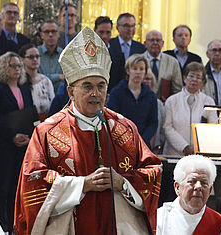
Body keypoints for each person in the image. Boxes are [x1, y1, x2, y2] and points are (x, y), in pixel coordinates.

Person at [14, 26, 162, 235]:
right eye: (87, 86)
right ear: (71, 92)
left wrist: (123, 183)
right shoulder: (48, 131)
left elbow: (152, 170)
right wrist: (82, 185)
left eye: (101, 86)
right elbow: (33, 182)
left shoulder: (125, 128)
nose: (95, 93)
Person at [0, 52, 34, 233]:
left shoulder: (24, 88)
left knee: (16, 190)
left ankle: (14, 228)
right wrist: (12, 136)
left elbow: (30, 114)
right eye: (12, 66)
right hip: (3, 146)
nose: (17, 69)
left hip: (22, 146)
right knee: (1, 189)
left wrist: (29, 136)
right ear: (3, 67)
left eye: (19, 66)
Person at [157, 154, 221, 235]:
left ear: (210, 190)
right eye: (192, 181)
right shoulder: (160, 219)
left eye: (204, 183)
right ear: (177, 187)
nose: (198, 187)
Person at [163, 62, 217, 156]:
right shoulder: (172, 101)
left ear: (202, 82)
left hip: (199, 155)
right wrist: (184, 147)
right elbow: (167, 128)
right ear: (184, 78)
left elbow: (213, 127)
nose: (194, 80)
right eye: (191, 76)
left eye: (198, 77)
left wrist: (197, 148)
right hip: (174, 154)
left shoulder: (209, 102)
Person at [107, 54, 158, 148]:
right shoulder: (117, 93)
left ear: (145, 72)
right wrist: (127, 139)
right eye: (135, 68)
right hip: (121, 144)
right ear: (128, 70)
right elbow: (112, 119)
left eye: (141, 69)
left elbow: (153, 122)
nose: (138, 72)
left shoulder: (151, 96)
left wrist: (142, 140)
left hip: (143, 145)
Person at [108, 13, 146, 91]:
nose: (130, 29)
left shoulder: (140, 48)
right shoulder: (110, 45)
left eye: (133, 26)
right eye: (126, 26)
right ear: (117, 27)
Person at [143, 30, 182, 102]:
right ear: (145, 43)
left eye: (158, 40)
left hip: (166, 105)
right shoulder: (138, 61)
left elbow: (177, 90)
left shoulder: (173, 62)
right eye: (152, 40)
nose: (155, 43)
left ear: (163, 43)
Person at [19, 43, 55, 120]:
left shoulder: (46, 81)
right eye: (31, 57)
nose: (35, 59)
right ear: (22, 59)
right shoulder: (19, 82)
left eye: (37, 56)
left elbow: (53, 105)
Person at [38, 19, 64, 92]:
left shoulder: (64, 54)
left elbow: (66, 78)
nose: (50, 35)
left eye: (53, 31)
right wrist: (58, 77)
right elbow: (36, 78)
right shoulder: (35, 54)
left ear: (58, 34)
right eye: (46, 32)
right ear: (41, 35)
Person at [142, 69, 165, 153]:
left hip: (154, 149)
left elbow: (162, 127)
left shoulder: (158, 103)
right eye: (144, 78)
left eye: (148, 79)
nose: (146, 81)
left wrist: (158, 146)